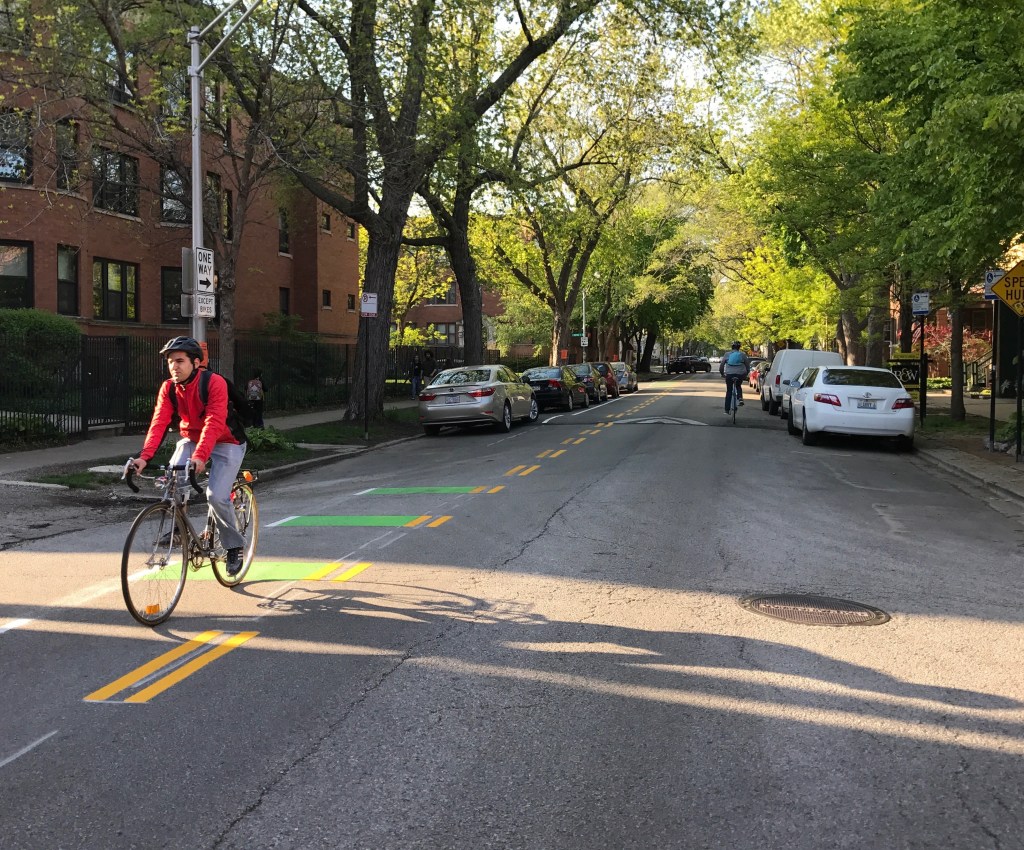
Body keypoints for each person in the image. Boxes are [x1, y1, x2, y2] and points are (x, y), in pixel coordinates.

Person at [131, 336, 248, 575]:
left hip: (227, 442)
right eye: (171, 362)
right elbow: (159, 423)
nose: (174, 366)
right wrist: (144, 458)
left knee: (215, 496)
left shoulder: (214, 383)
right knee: (173, 478)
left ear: (196, 363)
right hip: (193, 440)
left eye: (180, 361)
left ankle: (234, 546)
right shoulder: (169, 388)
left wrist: (201, 457)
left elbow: (214, 422)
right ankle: (178, 527)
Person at [719, 341, 750, 414]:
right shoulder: (742, 354)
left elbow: (721, 366)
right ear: (739, 347)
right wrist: (745, 374)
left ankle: (727, 410)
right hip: (740, 374)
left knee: (729, 391)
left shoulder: (727, 354)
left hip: (729, 374)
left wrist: (722, 374)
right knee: (738, 386)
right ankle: (740, 398)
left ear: (732, 347)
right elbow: (747, 366)